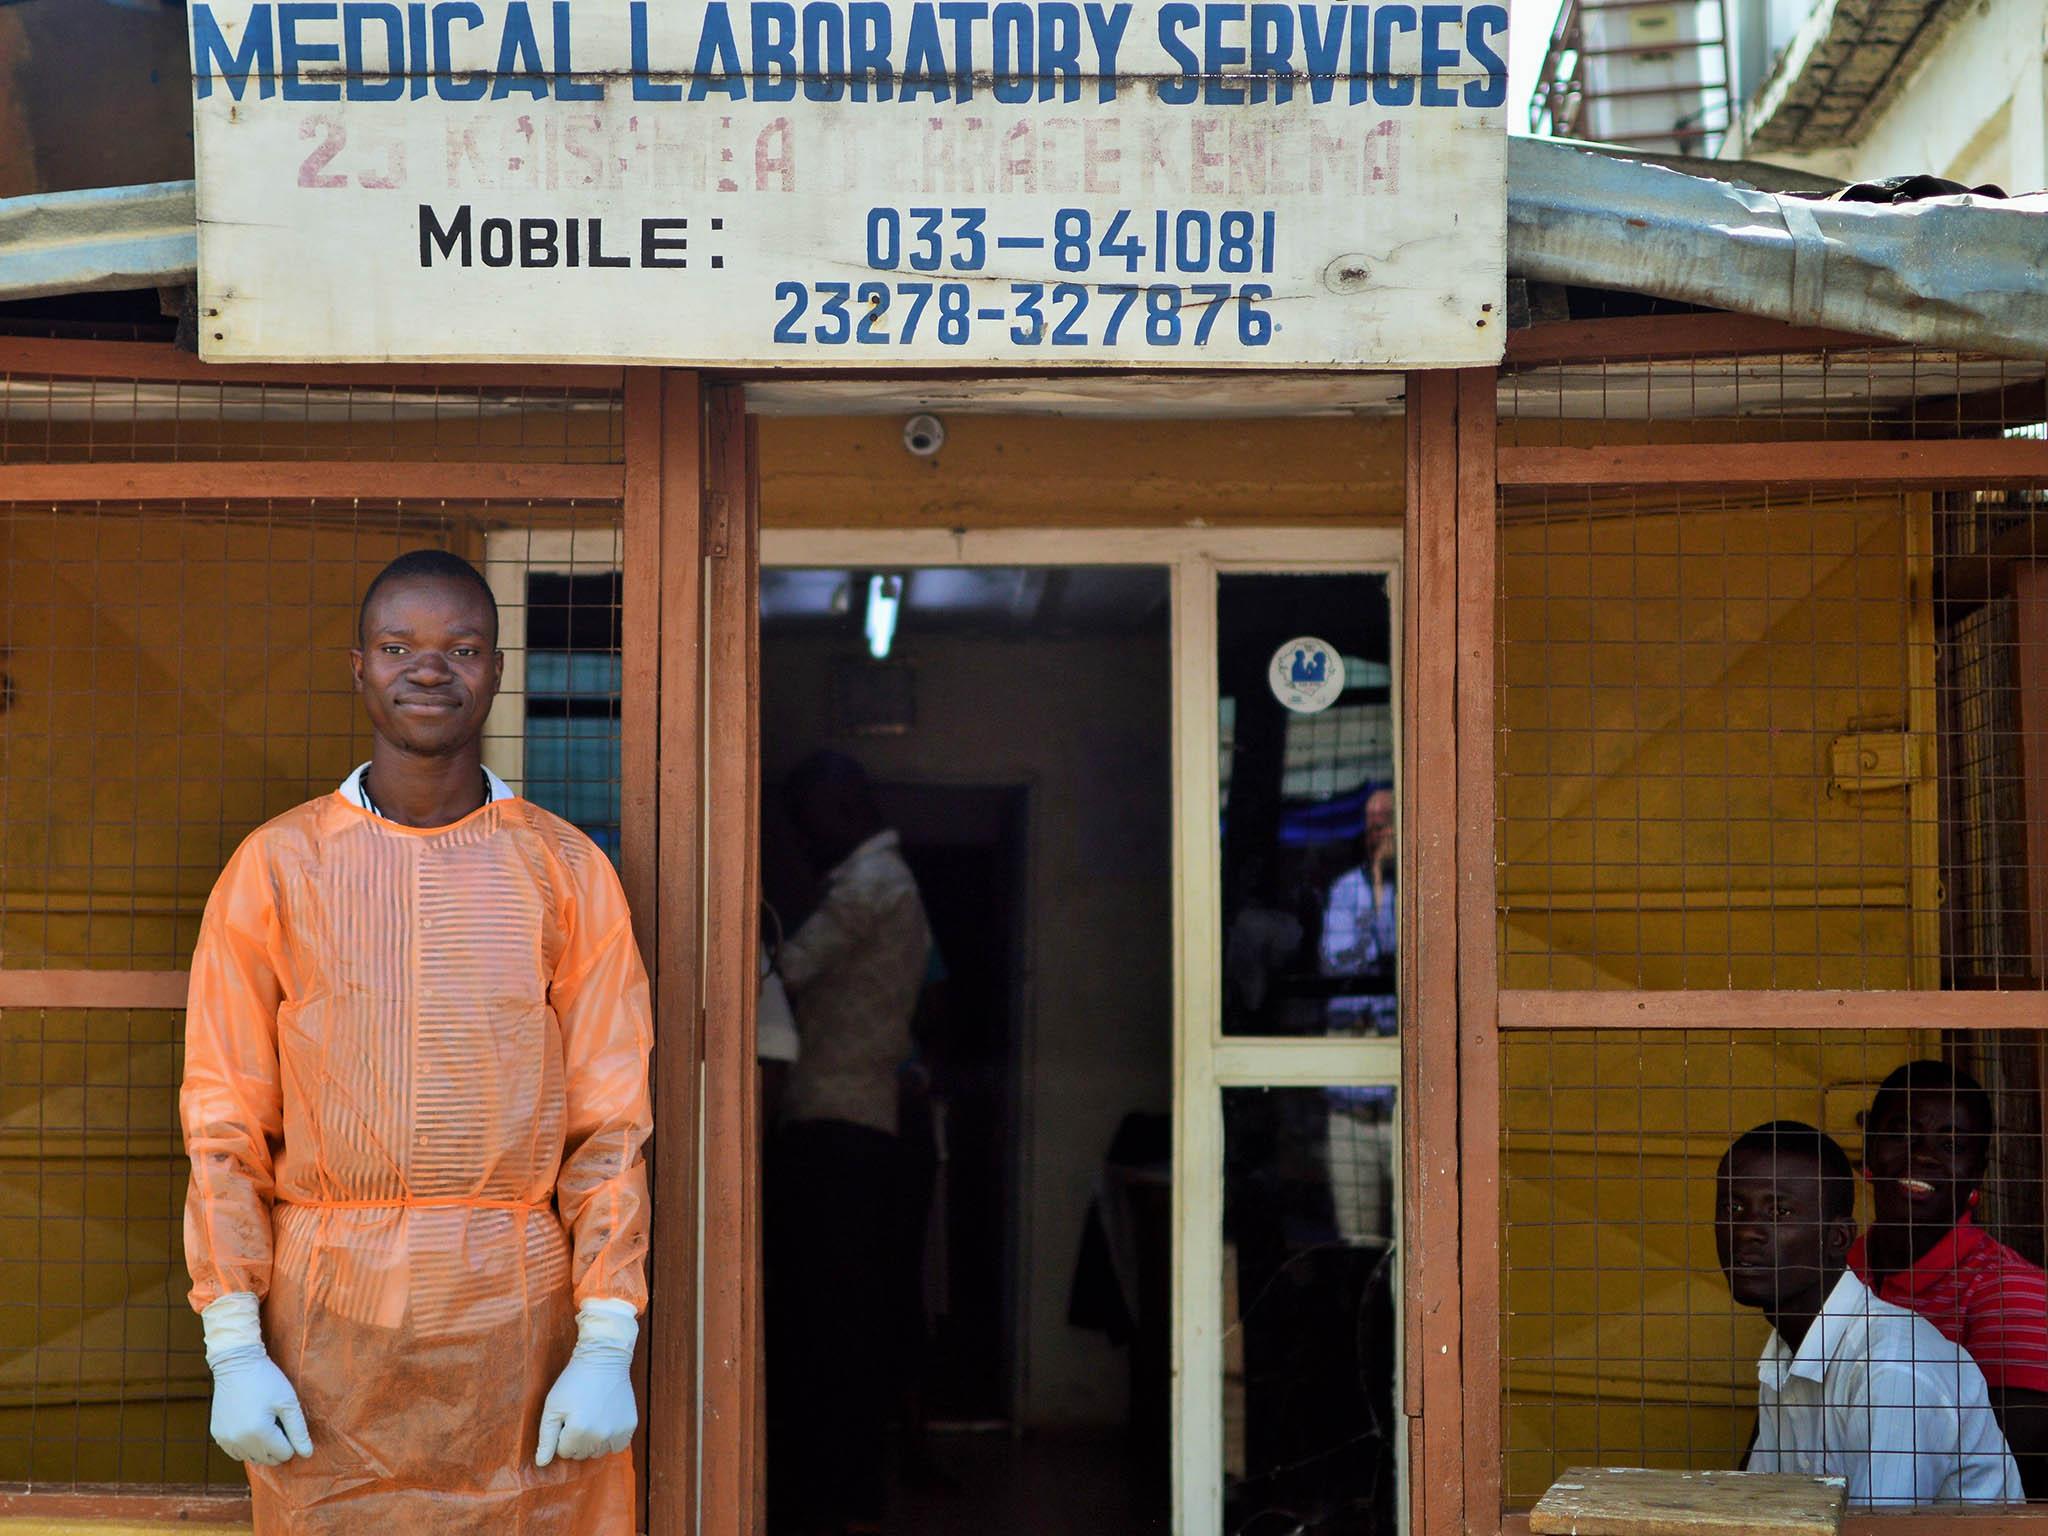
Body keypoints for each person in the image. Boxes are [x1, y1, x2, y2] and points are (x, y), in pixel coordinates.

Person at [179, 550, 653, 1534]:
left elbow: (610, 1125)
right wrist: (233, 1342)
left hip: (521, 1325)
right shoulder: (276, 867)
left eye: (461, 648)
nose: (429, 670)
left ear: (497, 669)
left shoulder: (565, 871)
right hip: (327, 1330)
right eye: (400, 647)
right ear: (360, 667)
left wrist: (607, 1338)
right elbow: (224, 1121)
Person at [765, 750, 931, 1536]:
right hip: (861, 1126)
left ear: (843, 810)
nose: (805, 841)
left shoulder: (868, 886)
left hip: (837, 1129)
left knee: (828, 1319)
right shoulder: (889, 883)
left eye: (809, 822)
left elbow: (784, 973)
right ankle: (846, 1488)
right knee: (849, 1313)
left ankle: (833, 1492)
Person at [1715, 1120, 2021, 1506]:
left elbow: (1878, 1528)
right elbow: (1763, 1514)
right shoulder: (1786, 1350)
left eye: (1780, 1211)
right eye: (1733, 1207)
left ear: (1838, 1238)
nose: (1746, 1231)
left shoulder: (1892, 1368)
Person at [1853, 1059, 2048, 1496]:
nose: (1923, 1155)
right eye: (1903, 1134)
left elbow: (2006, 1477)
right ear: (1869, 1149)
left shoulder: (2013, 1289)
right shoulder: (1837, 1270)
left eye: (1952, 1145)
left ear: (1977, 1172)